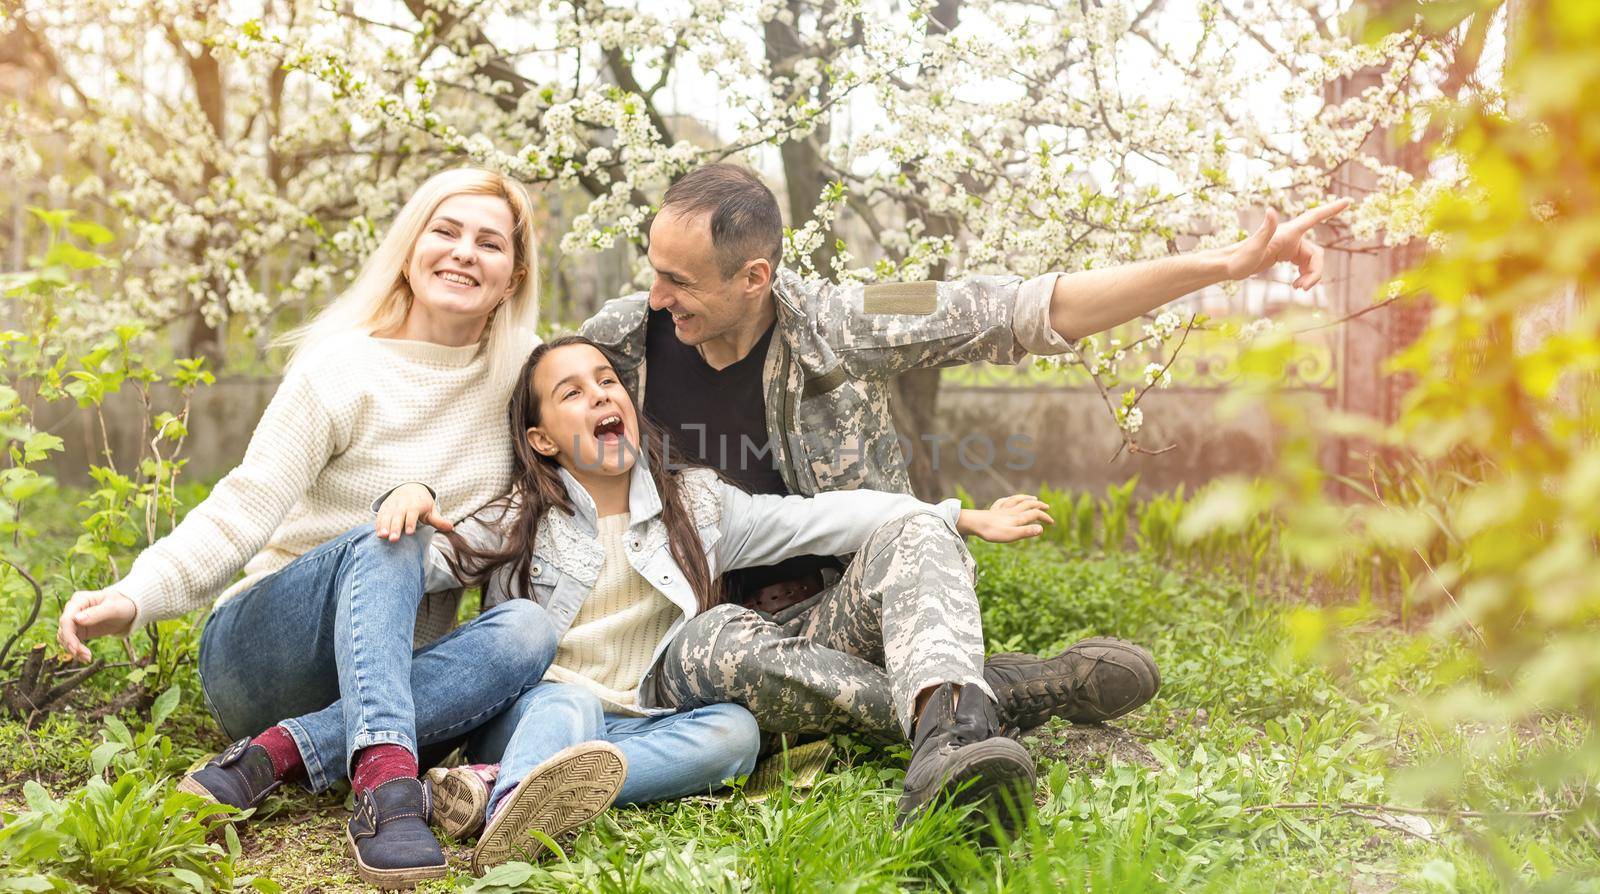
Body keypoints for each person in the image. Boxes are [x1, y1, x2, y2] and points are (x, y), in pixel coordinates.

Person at [579, 165, 1316, 762]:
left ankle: (950, 750)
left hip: (846, 614)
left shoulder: (847, 317)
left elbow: (1015, 308)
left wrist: (1219, 264)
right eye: (654, 270)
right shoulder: (620, 343)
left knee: (920, 530)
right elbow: (531, 406)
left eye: (679, 280)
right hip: (710, 635)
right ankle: (984, 696)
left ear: (754, 277)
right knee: (715, 645)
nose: (656, 294)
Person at [54, 167, 549, 888]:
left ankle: (279, 754)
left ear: (513, 275)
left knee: (529, 629)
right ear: (411, 248)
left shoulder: (520, 378)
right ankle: (385, 789)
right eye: (444, 231)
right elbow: (242, 506)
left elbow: (531, 496)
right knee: (395, 529)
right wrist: (135, 597)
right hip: (265, 653)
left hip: (389, 674)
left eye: (489, 243)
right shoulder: (341, 369)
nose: (464, 253)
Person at [399, 335, 1062, 848]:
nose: (601, 395)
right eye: (571, 393)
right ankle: (514, 799)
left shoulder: (696, 503)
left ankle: (520, 793)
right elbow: (416, 565)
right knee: (565, 715)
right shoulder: (514, 516)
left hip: (651, 714)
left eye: (608, 381)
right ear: (541, 439)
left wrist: (953, 515)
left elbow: (820, 519)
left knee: (735, 737)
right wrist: (409, 496)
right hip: (542, 709)